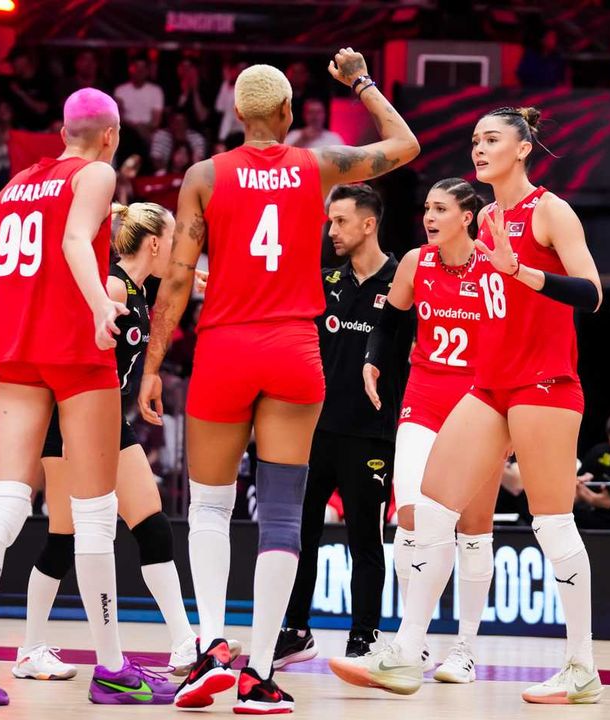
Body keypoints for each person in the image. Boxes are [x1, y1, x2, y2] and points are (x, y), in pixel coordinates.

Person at [139, 49, 419, 713]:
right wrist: (361, 82)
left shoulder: (204, 175)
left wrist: (152, 365)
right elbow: (405, 144)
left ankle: (211, 647)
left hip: (224, 347)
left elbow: (176, 278)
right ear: (289, 112)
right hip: (294, 348)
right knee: (286, 514)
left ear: (238, 114)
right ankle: (259, 674)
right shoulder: (317, 166)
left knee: (209, 508)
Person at [329, 106, 605, 705]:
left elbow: (592, 294)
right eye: (475, 140)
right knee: (430, 509)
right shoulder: (486, 219)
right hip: (490, 384)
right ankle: (407, 653)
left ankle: (582, 666)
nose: (479, 148)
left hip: (545, 383)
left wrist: (521, 270)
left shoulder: (550, 210)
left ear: (523, 148)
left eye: (492, 139)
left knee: (552, 524)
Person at [0, 88, 171, 707]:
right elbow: (73, 242)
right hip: (73, 350)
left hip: (12, 353)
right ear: (110, 136)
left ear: (63, 132)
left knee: (6, 505)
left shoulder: (15, 186)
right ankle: (112, 669)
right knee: (94, 514)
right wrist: (100, 309)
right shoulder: (96, 174)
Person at [17, 202, 220, 682]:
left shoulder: (135, 288)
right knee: (63, 537)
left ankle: (182, 643)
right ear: (155, 243)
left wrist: (192, 281)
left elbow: (168, 294)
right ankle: (30, 649)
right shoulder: (110, 287)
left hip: (107, 419)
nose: (180, 249)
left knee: (152, 524)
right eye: (174, 240)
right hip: (71, 421)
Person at [275, 183, 416, 667]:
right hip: (312, 428)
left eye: (340, 221)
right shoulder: (324, 279)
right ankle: (295, 630)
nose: (331, 230)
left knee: (365, 539)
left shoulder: (402, 282)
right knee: (301, 534)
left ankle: (364, 637)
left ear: (368, 224)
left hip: (370, 432)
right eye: (330, 221)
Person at [363, 177, 497, 683]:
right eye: (426, 209)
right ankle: (412, 641)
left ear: (467, 216)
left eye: (441, 209)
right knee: (411, 518)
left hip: (479, 405)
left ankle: (464, 649)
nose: (430, 217)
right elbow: (389, 321)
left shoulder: (493, 266)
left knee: (473, 528)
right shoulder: (416, 262)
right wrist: (373, 360)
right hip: (423, 399)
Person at [114, 55, 164, 143]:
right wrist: (133, 128)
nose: (140, 71)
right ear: (131, 69)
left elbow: (156, 122)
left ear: (147, 71)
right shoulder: (120, 90)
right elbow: (118, 118)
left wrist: (141, 128)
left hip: (147, 133)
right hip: (126, 131)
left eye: (143, 68)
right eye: (137, 67)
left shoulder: (156, 91)